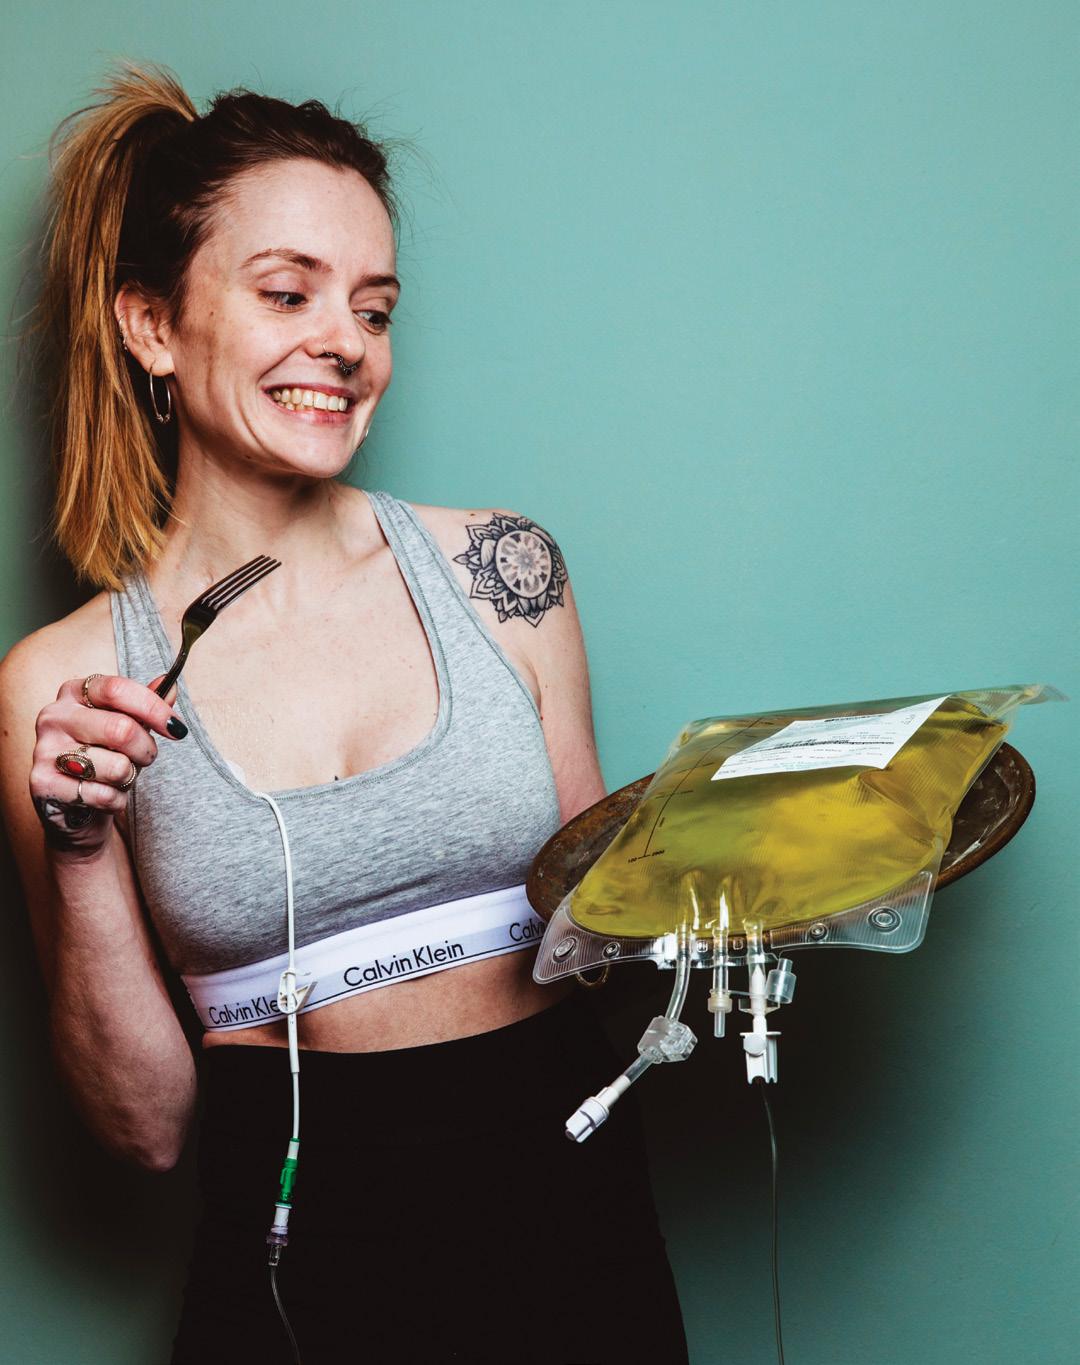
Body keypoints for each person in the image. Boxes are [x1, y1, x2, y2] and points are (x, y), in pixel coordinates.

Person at [0, 63, 688, 1364]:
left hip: (569, 1223)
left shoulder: (504, 571)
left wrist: (755, 869)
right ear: (151, 323)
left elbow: (601, 943)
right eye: (288, 293)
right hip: (289, 1266)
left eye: (374, 308)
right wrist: (80, 849)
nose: (346, 343)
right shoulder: (63, 685)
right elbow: (143, 1130)